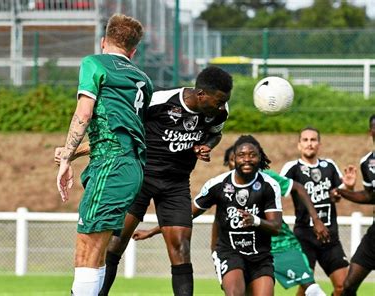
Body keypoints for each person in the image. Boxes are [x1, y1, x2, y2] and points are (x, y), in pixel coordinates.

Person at [56, 66, 233, 295]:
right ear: (201, 95)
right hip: (141, 177)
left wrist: (207, 145)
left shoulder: (220, 111)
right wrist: (74, 152)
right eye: (218, 101)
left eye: (224, 102)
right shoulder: (158, 100)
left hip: (176, 184)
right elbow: (120, 132)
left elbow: (215, 133)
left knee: (181, 248)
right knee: (115, 245)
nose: (221, 107)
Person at [56, 14, 153, 296]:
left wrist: (65, 159)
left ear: (103, 42)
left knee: (86, 250)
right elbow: (125, 131)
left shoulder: (94, 63)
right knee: (96, 253)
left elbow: (83, 113)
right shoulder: (143, 80)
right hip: (131, 165)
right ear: (133, 51)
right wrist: (74, 154)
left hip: (110, 165)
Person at [136, 135, 283, 295]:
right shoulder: (217, 185)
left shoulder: (269, 185)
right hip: (229, 252)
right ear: (234, 158)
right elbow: (186, 216)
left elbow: (276, 227)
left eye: (252, 155)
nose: (247, 159)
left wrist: (255, 220)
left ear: (260, 157)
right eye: (241, 155)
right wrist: (152, 231)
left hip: (260, 256)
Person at [217, 145, 328, 295]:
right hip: (243, 252)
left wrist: (316, 219)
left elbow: (298, 188)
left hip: (280, 244)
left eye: (250, 156)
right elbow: (218, 224)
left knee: (311, 288)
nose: (244, 160)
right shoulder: (223, 187)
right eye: (234, 159)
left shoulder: (266, 178)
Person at [280, 126, 355, 296]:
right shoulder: (292, 168)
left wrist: (347, 187)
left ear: (319, 144)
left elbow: (337, 192)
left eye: (313, 140)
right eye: (305, 140)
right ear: (299, 145)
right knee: (307, 288)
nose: (309, 143)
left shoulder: (329, 166)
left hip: (330, 237)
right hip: (304, 237)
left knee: (344, 287)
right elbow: (275, 192)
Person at [333, 114, 375, 296]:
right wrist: (342, 191)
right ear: (371, 131)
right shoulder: (367, 162)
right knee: (347, 286)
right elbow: (370, 195)